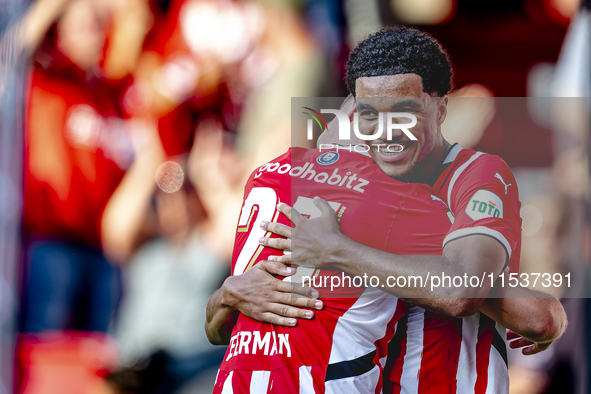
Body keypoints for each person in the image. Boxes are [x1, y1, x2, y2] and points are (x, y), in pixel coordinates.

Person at [206, 27, 567, 393]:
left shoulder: (475, 174)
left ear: (441, 108)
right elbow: (220, 328)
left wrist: (338, 250)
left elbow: (468, 292)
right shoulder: (351, 194)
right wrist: (228, 293)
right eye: (368, 115)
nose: (386, 131)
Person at [207, 147, 564, 393]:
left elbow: (218, 330)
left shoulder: (277, 178)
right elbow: (539, 319)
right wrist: (229, 293)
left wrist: (227, 293)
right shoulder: (403, 209)